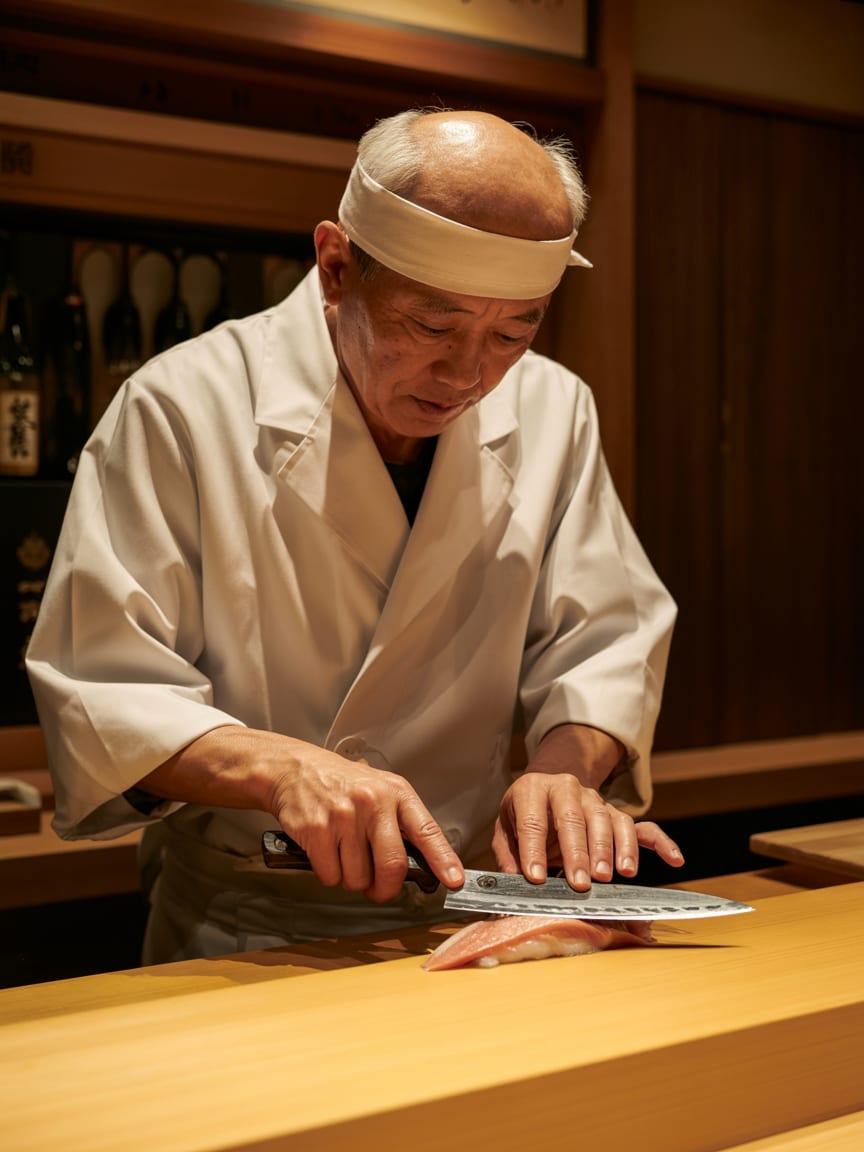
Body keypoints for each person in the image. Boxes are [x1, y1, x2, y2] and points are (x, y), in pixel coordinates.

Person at [27, 108, 683, 963]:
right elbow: (101, 683)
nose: (467, 375)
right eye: (432, 325)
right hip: (245, 928)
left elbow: (606, 640)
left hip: (472, 913)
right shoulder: (182, 408)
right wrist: (280, 769)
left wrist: (564, 768)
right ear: (336, 266)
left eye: (513, 332)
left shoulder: (555, 408)